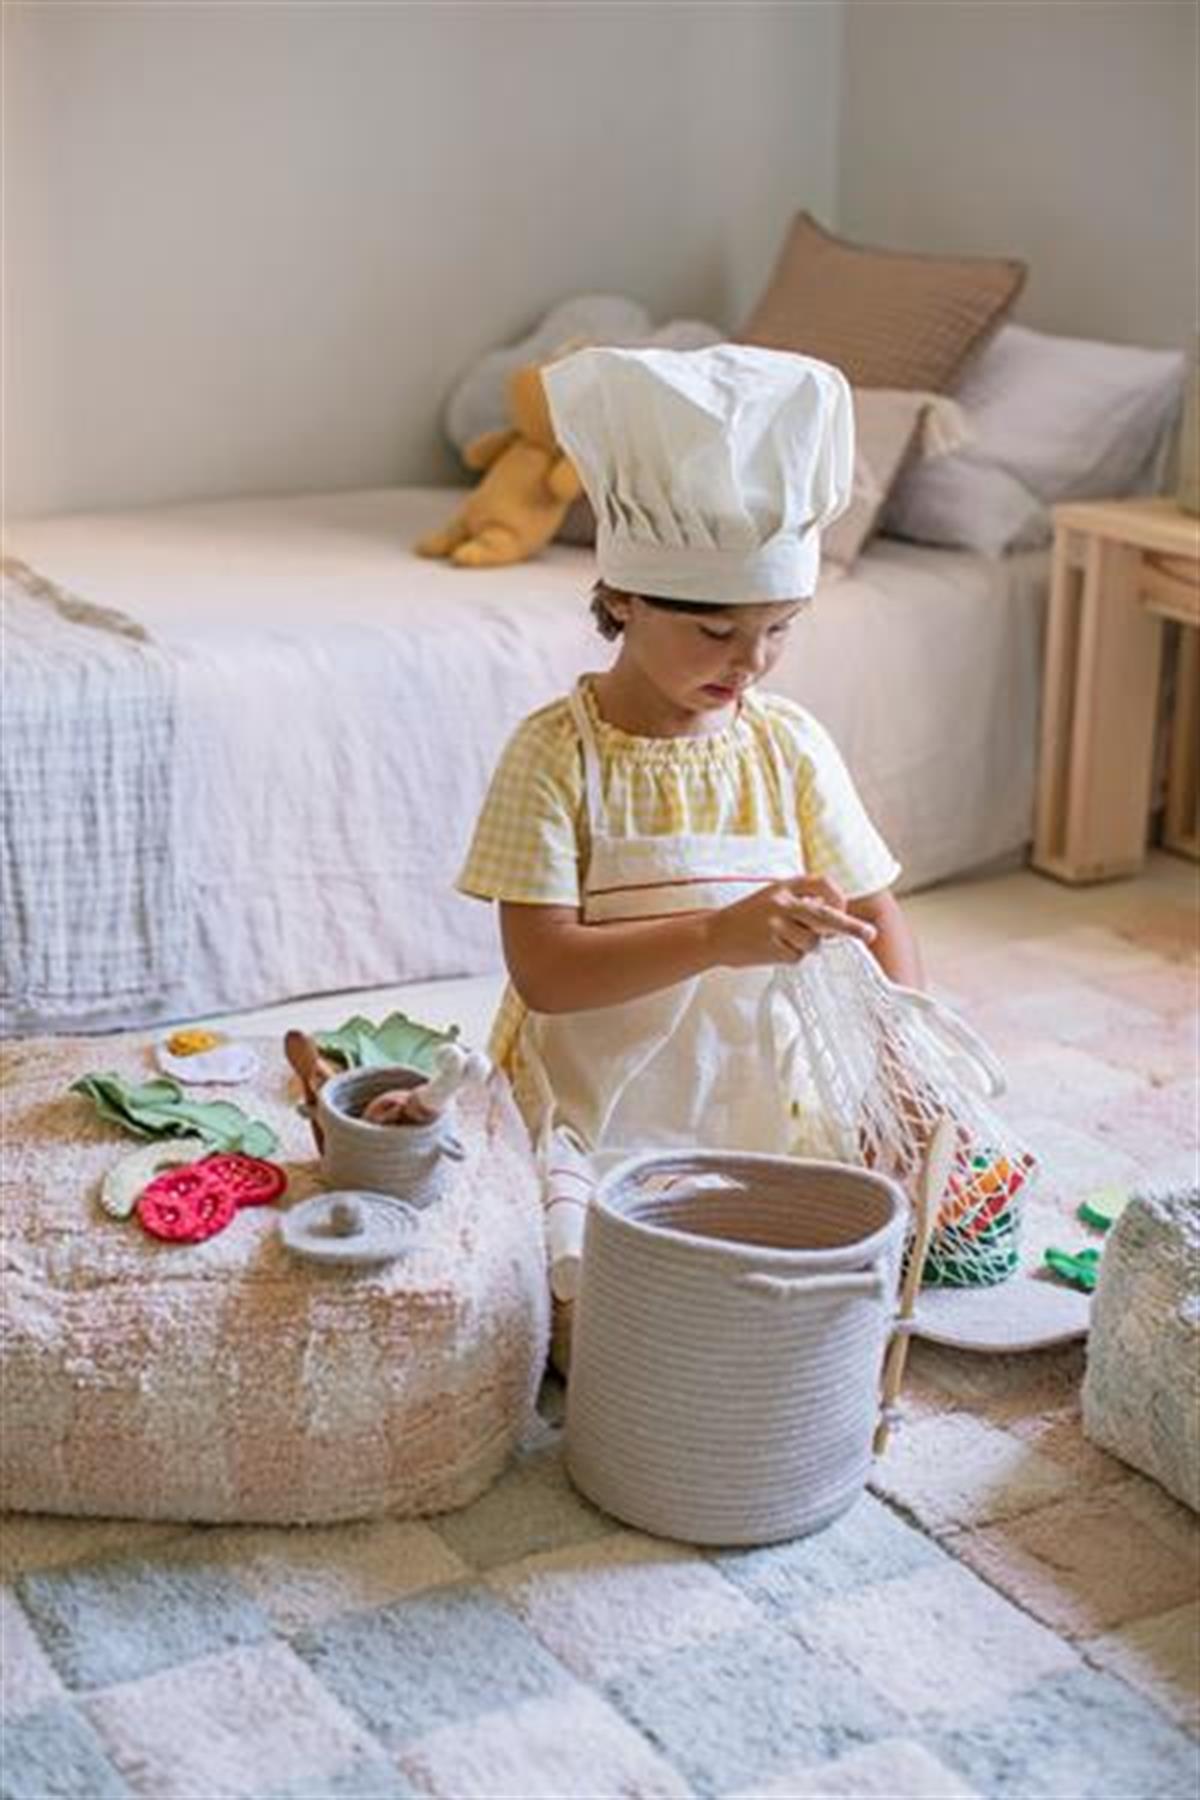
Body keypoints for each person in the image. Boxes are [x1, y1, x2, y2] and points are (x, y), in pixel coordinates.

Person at [456, 343, 922, 1306]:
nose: (750, 661)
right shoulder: (555, 756)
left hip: (763, 1104)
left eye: (781, 627)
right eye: (716, 631)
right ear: (621, 595)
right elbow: (544, 972)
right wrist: (720, 936)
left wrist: (903, 1068)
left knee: (815, 1284)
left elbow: (879, 918)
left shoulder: (787, 746)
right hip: (595, 1113)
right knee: (587, 1315)